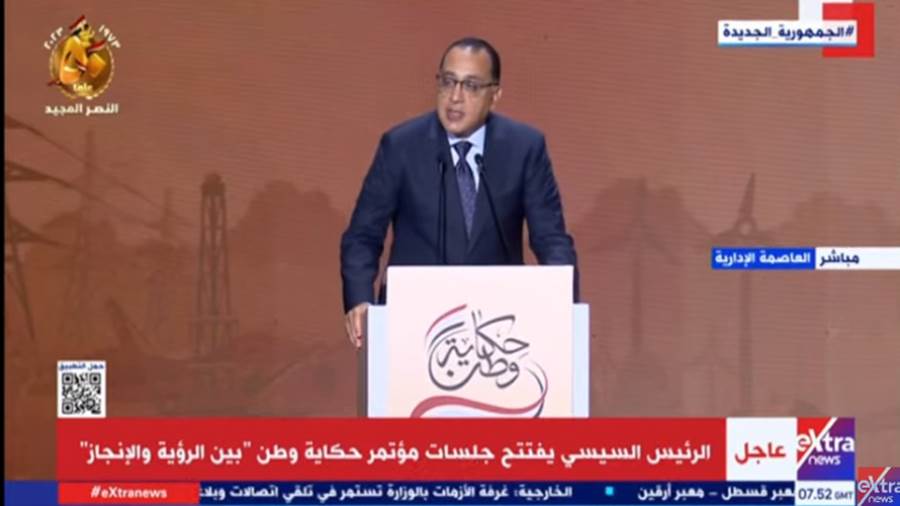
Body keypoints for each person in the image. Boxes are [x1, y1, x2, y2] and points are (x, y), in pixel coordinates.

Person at [341, 37, 578, 348]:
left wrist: (567, 307)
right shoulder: (401, 146)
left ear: (495, 95)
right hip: (412, 325)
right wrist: (360, 300)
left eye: (471, 86)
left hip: (495, 328)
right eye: (448, 82)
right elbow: (363, 236)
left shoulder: (524, 148)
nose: (455, 97)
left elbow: (551, 239)